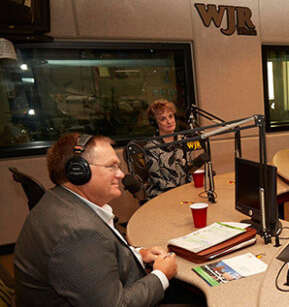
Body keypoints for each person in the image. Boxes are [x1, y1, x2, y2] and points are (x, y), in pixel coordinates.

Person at [13, 133, 178, 306]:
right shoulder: (78, 233)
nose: (121, 174)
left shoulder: (57, 199)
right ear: (78, 171)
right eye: (111, 167)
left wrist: (136, 254)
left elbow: (95, 259)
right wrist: (161, 276)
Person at [145, 99, 190, 199]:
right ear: (155, 123)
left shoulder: (183, 140)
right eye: (162, 119)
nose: (169, 121)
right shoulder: (151, 148)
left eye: (170, 116)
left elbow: (189, 171)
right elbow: (158, 181)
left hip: (184, 191)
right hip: (162, 195)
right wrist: (179, 195)